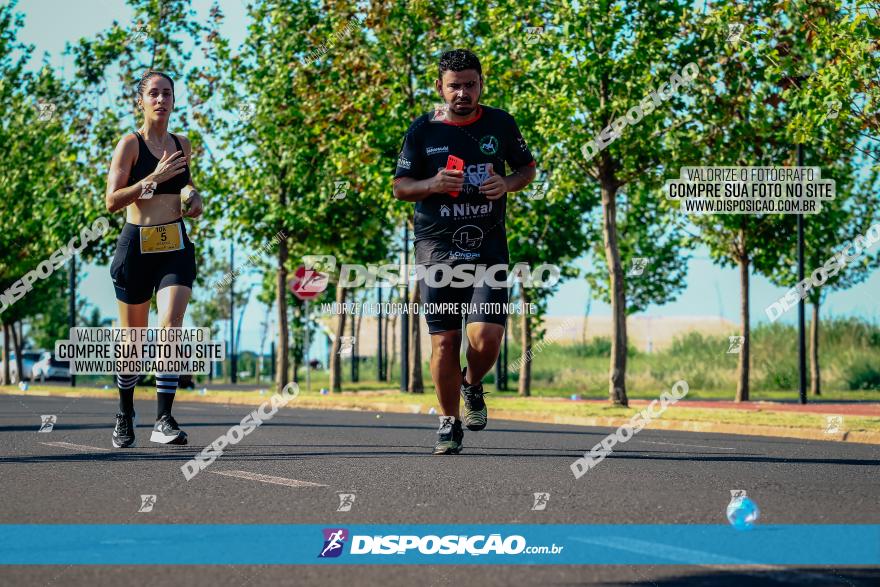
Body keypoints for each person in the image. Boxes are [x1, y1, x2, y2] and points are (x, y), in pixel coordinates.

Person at [392, 49, 536, 455]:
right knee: (443, 342)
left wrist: (508, 183)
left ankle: (472, 385)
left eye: (470, 84)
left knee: (487, 336)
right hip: (436, 249)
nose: (462, 93)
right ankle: (448, 422)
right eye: (454, 86)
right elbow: (401, 187)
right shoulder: (422, 131)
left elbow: (527, 168)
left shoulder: (501, 123)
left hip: (488, 247)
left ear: (480, 84)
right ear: (440, 87)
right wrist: (433, 184)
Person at [104, 71, 204, 448]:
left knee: (171, 324)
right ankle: (125, 410)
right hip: (137, 247)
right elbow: (112, 201)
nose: (161, 100)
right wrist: (153, 178)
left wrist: (193, 197)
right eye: (154, 94)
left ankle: (163, 418)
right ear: (141, 101)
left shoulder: (182, 143)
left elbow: (186, 186)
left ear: (174, 100)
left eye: (167, 94)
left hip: (175, 246)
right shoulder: (129, 144)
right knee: (133, 341)